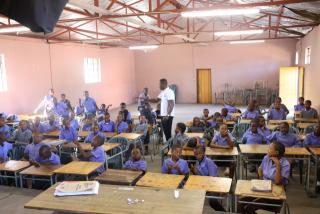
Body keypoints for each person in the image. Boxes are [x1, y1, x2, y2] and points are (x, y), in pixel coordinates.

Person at [239, 142, 290, 214]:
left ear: (276, 152)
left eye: (270, 148)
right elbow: (260, 170)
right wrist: (260, 182)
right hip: (264, 189)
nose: (267, 150)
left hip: (276, 195)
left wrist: (278, 165)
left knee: (249, 208)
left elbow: (277, 182)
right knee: (240, 203)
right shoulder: (266, 158)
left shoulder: (285, 164)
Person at [191, 146, 225, 212]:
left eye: (199, 153)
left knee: (212, 201)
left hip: (213, 184)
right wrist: (194, 171)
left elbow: (213, 177)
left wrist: (205, 186)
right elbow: (199, 176)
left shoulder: (208, 161)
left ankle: (223, 212)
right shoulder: (197, 162)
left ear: (203, 153)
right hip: (203, 183)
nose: (197, 155)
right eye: (195, 154)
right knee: (192, 194)